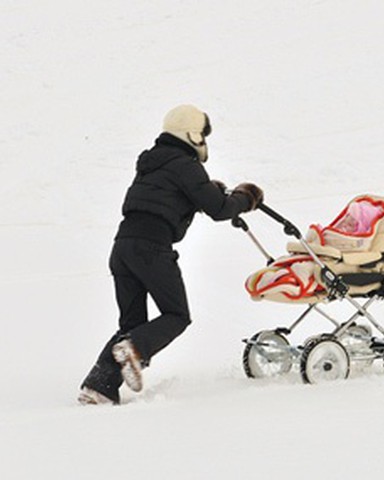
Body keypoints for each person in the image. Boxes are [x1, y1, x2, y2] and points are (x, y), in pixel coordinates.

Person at [79, 105, 263, 405]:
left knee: (131, 326)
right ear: (192, 134)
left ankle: (98, 387)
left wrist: (204, 194)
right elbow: (219, 209)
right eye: (203, 135)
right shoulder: (185, 165)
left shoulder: (152, 163)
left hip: (122, 247)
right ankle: (135, 348)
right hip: (151, 249)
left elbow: (168, 195)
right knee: (176, 315)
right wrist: (247, 197)